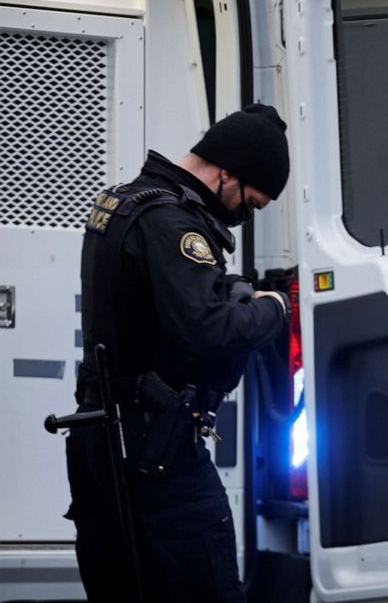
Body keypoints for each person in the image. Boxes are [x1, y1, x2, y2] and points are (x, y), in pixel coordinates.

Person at [65, 104, 292, 602]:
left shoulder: (124, 201)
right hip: (155, 447)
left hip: (101, 436)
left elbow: (153, 303)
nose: (242, 215)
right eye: (249, 203)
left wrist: (224, 284)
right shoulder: (172, 224)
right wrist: (274, 306)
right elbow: (209, 330)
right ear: (226, 171)